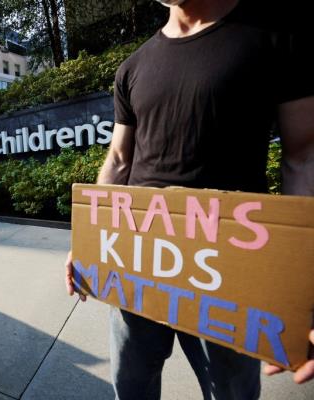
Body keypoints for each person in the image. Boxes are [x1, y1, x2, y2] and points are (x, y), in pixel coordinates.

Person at [64, 0, 314, 398]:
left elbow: (302, 156)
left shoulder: (277, 36)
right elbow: (119, 158)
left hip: (229, 268)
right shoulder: (132, 67)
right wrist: (89, 243)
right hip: (137, 260)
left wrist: (300, 283)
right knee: (131, 389)